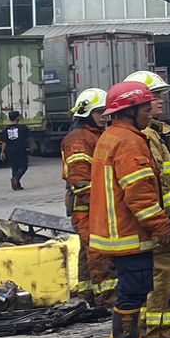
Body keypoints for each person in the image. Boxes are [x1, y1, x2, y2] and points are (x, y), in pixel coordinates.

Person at [88, 80, 170, 338]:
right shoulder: (128, 141)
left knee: (128, 284)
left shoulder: (111, 136)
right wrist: (161, 226)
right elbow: (139, 193)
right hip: (129, 233)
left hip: (113, 231)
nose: (149, 114)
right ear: (130, 110)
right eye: (145, 109)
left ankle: (120, 337)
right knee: (135, 286)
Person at [123, 71, 170, 338]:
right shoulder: (147, 137)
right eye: (154, 97)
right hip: (162, 221)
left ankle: (159, 327)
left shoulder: (156, 133)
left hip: (165, 218)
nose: (160, 101)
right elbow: (154, 184)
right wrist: (169, 217)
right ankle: (158, 330)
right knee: (165, 273)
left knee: (168, 272)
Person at [60, 88, 110, 310]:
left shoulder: (94, 134)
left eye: (105, 111)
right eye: (99, 112)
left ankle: (87, 292)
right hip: (86, 206)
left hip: (93, 204)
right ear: (86, 113)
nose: (104, 116)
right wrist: (101, 205)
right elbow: (80, 179)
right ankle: (106, 297)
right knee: (99, 251)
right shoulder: (78, 139)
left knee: (88, 250)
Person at [0, 110, 29, 191]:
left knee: (14, 167)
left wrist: (2, 152)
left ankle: (16, 185)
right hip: (20, 149)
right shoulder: (22, 128)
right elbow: (28, 138)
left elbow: (4, 142)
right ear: (17, 118)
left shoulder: (5, 129)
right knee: (24, 166)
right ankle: (16, 179)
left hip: (10, 150)